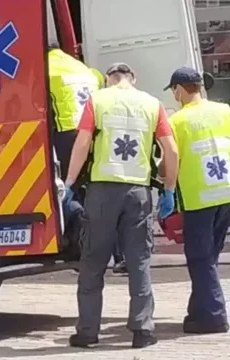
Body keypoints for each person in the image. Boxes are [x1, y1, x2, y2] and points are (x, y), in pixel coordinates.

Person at [62, 63, 179, 348]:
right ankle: (143, 332)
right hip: (138, 192)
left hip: (102, 191)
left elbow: (83, 142)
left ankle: (88, 332)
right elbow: (171, 149)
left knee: (93, 263)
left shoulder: (98, 100)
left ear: (107, 80)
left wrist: (68, 182)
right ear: (133, 78)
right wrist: (169, 188)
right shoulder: (152, 104)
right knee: (138, 261)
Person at [160, 66, 230, 334]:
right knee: (207, 257)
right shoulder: (225, 111)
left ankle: (214, 316)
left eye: (174, 90)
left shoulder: (176, 121)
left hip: (199, 198)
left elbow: (171, 158)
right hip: (225, 193)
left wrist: (167, 190)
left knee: (200, 258)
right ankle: (198, 312)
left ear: (178, 90)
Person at [48, 43, 101, 181]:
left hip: (67, 134)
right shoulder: (80, 66)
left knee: (66, 184)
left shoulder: (44, 66)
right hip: (94, 132)